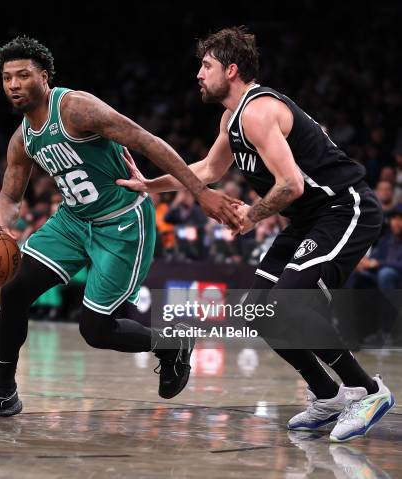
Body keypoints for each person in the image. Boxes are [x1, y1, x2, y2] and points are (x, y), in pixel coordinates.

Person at [117, 26, 394, 442]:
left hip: (344, 207)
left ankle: (368, 391)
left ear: (231, 70)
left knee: (291, 305)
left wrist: (250, 214)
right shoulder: (232, 118)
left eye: (206, 65)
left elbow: (290, 185)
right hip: (308, 220)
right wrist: (150, 185)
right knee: (257, 311)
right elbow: (208, 171)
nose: (198, 73)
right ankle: (328, 394)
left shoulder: (258, 111)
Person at [0, 36, 242, 419]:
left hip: (122, 223)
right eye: (7, 77)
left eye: (23, 75)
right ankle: (4, 390)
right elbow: (10, 196)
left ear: (44, 77)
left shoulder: (76, 108)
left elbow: (147, 141)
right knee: (15, 290)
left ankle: (172, 343)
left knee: (96, 330)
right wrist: (1, 227)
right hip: (73, 221)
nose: (13, 84)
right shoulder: (22, 139)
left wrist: (201, 192)